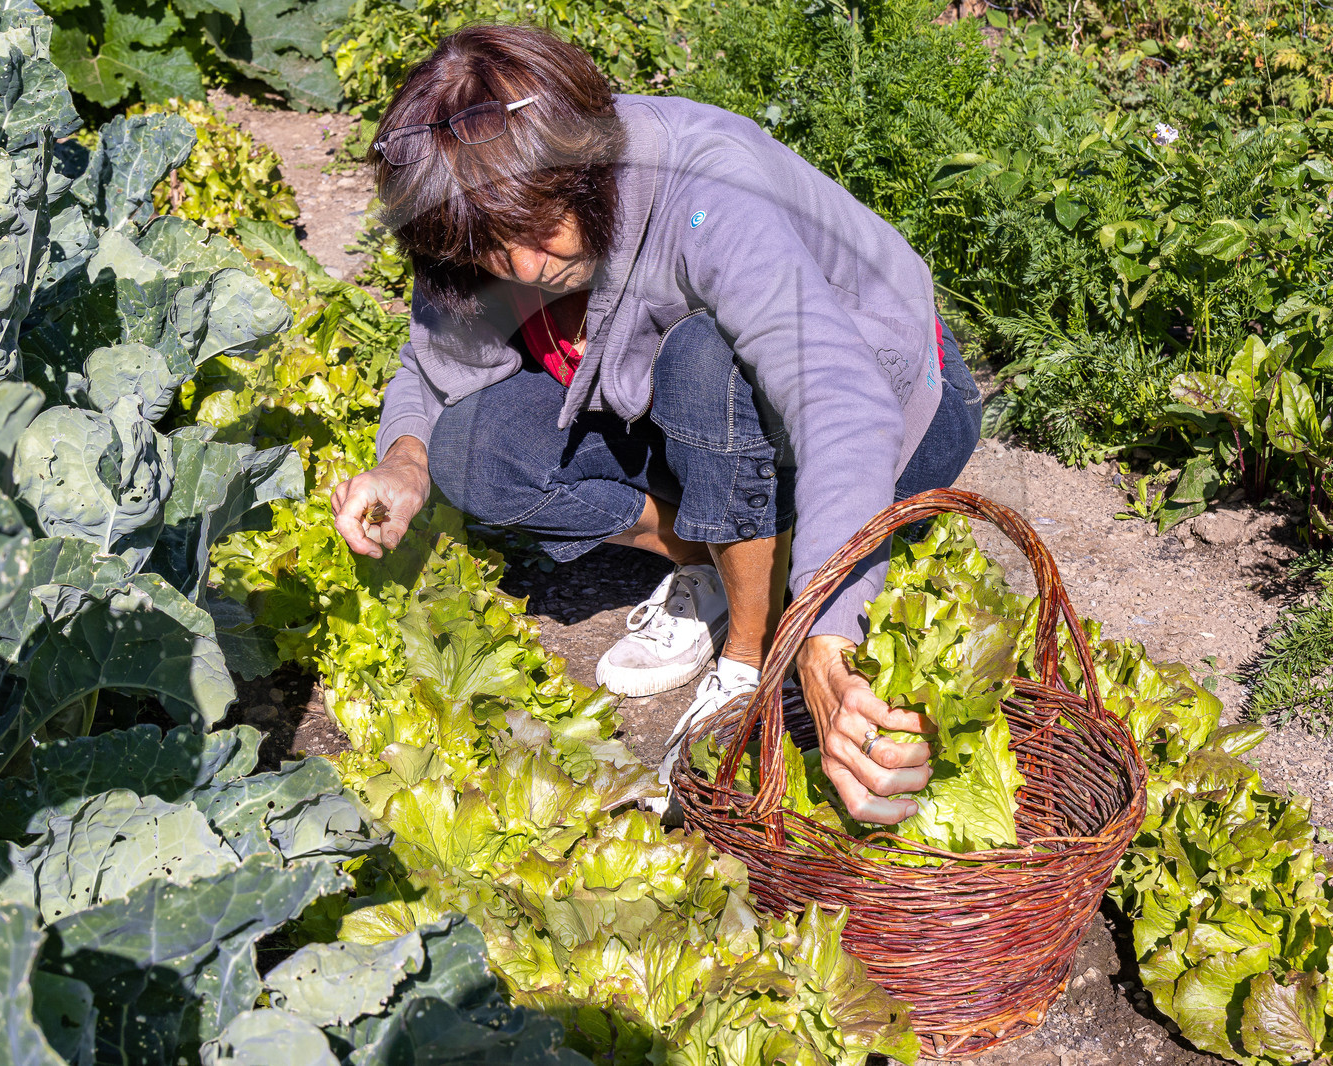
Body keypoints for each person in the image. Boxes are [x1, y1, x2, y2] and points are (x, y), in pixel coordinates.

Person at [330, 24, 983, 823]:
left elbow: (838, 399)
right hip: (696, 416)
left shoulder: (703, 184)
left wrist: (826, 628)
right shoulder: (481, 215)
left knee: (703, 361)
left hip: (898, 408)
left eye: (539, 231)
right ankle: (726, 551)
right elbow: (430, 369)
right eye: (492, 252)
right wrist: (404, 463)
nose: (526, 269)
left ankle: (750, 657)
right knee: (471, 451)